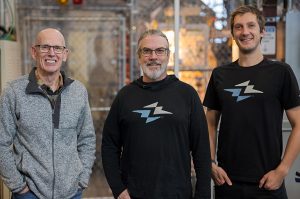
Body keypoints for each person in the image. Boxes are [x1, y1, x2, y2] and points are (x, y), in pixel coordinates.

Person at [203, 5, 300, 199]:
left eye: (251, 26)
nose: (245, 32)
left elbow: (299, 123)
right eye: (238, 27)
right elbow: (210, 122)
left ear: (262, 31)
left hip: (268, 183)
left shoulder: (281, 73)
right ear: (232, 33)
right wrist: (210, 163)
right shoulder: (220, 75)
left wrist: (282, 170)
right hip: (228, 182)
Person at [101, 29, 211, 199]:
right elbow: (109, 146)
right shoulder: (125, 96)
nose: (153, 57)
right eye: (147, 51)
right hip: (133, 194)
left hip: (178, 194)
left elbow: (201, 150)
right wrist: (118, 189)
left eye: (160, 51)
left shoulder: (187, 95)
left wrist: (203, 195)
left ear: (168, 55)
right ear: (139, 56)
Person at [0, 28, 96, 199]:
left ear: (65, 54)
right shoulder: (14, 92)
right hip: (29, 194)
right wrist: (17, 185)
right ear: (34, 52)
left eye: (57, 48)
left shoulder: (78, 92)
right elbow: (1, 143)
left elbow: (87, 139)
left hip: (71, 193)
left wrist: (82, 179)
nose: (51, 53)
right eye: (45, 47)